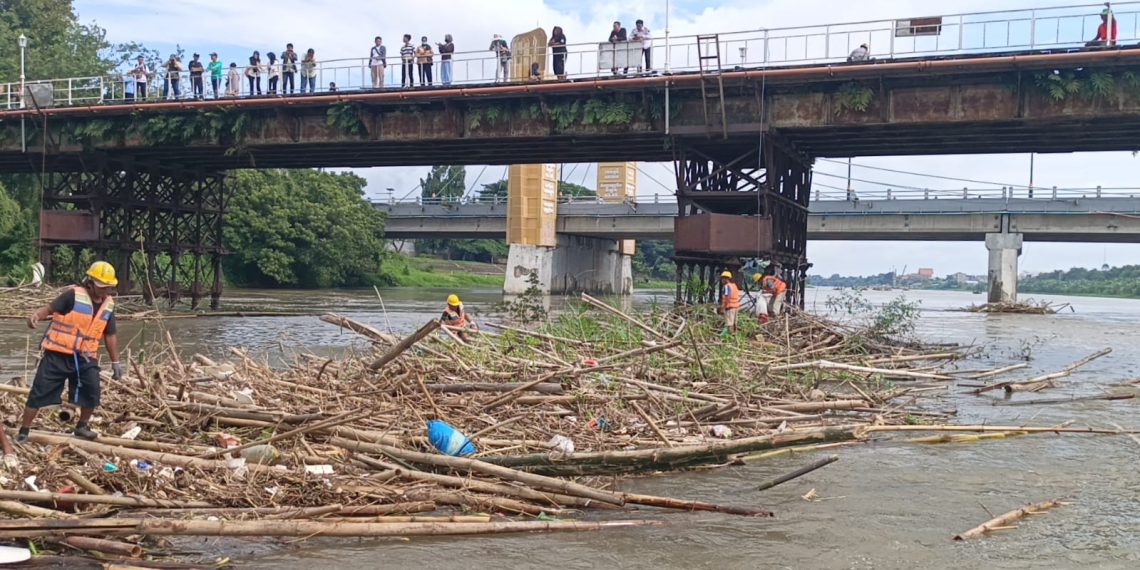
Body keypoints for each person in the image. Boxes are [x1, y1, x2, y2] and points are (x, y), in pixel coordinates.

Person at [17, 261, 123, 443]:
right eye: (102, 287)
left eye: (108, 287)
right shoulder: (73, 295)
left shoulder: (108, 305)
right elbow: (48, 309)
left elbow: (110, 334)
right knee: (39, 392)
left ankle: (82, 426)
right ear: (90, 283)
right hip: (57, 354)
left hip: (85, 357)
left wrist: (116, 362)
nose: (105, 291)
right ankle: (24, 430)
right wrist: (35, 316)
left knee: (92, 391)